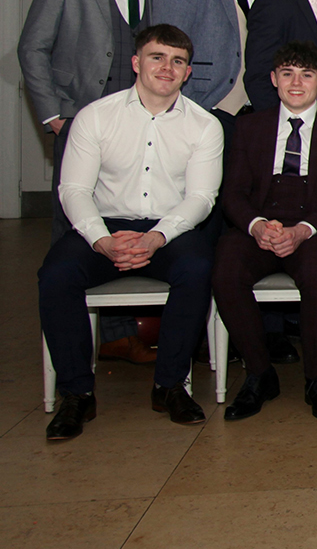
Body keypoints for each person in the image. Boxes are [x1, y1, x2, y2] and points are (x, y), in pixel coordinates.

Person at [38, 25, 223, 439]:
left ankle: (169, 384)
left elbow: (201, 198)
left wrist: (156, 237)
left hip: (168, 228)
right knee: (55, 275)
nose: (167, 67)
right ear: (137, 63)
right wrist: (101, 240)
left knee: (197, 269)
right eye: (157, 57)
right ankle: (76, 394)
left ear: (187, 73)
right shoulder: (95, 116)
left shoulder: (204, 125)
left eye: (177, 61)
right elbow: (74, 189)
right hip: (103, 226)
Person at [22, 0, 164, 364]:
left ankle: (120, 334)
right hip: (79, 123)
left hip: (138, 128)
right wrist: (54, 115)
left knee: (126, 219)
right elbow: (33, 48)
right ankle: (77, 350)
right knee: (75, 230)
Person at [210, 42, 317, 421]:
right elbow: (232, 193)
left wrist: (304, 230)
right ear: (275, 79)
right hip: (261, 223)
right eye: (288, 74)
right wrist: (256, 226)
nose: (297, 83)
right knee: (225, 270)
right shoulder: (249, 126)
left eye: (307, 75)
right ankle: (260, 374)